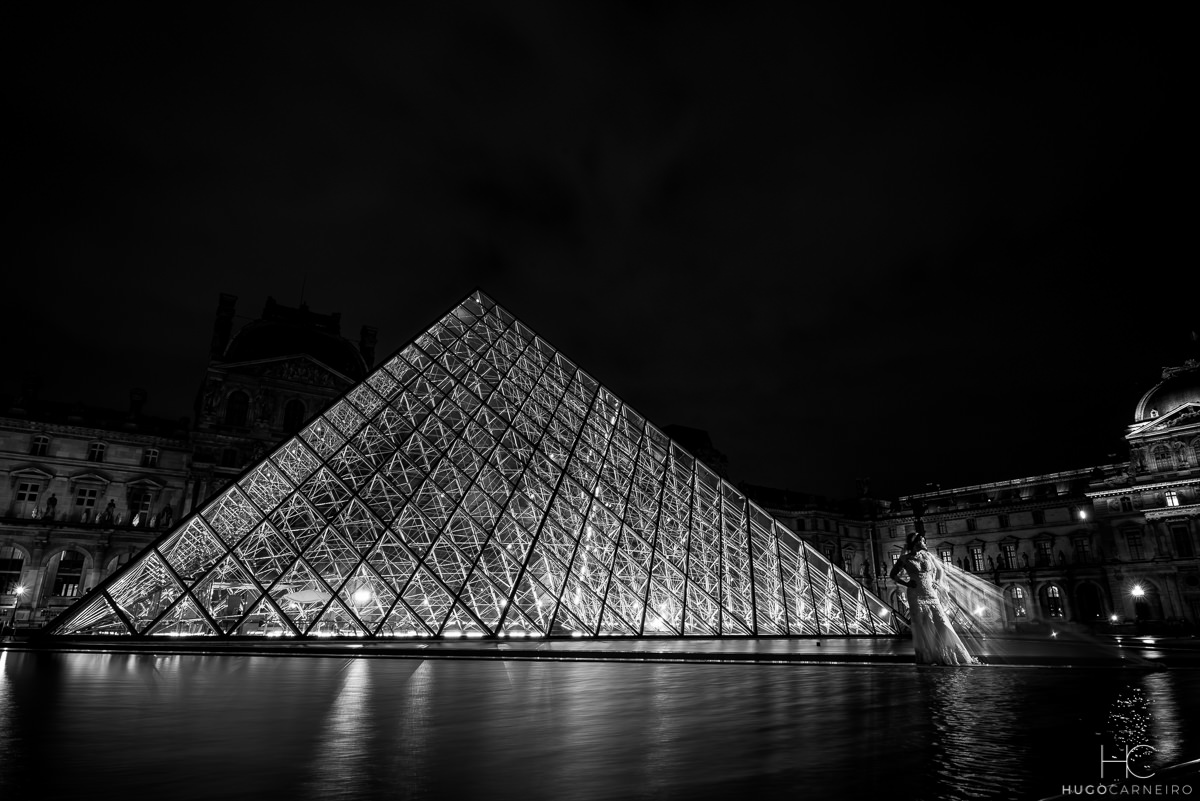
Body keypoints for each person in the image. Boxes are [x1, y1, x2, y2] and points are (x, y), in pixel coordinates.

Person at [890, 531, 977, 665]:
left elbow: (940, 570)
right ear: (915, 543)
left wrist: (937, 582)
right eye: (922, 541)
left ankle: (948, 653)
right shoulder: (904, 559)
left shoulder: (928, 556)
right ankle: (929, 656)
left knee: (942, 622)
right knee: (922, 624)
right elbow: (893, 574)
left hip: (931, 593)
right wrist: (906, 583)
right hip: (915, 594)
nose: (925, 543)